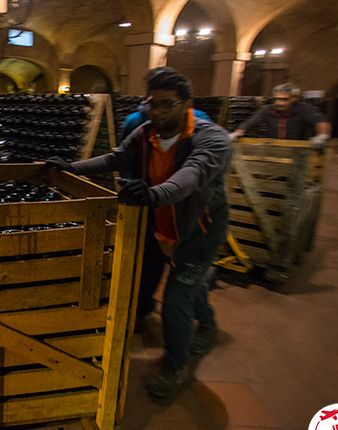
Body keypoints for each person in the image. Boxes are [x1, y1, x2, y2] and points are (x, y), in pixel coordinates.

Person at [46, 68, 232, 398]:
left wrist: (154, 194)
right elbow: (117, 158)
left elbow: (192, 175)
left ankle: (175, 365)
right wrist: (71, 167)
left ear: (187, 103)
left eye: (166, 105)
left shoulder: (211, 139)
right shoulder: (145, 133)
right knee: (178, 284)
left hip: (197, 233)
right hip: (159, 225)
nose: (157, 112)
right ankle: (206, 322)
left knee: (177, 296)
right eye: (152, 104)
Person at [229, 82, 331, 147]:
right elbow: (250, 122)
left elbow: (321, 121)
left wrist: (322, 136)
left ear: (294, 98)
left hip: (299, 149)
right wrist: (237, 133)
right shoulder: (268, 110)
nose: (279, 103)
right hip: (274, 147)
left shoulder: (304, 109)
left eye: (284, 99)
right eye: (276, 99)